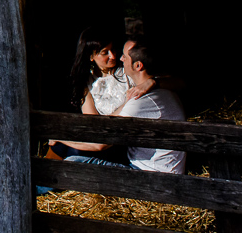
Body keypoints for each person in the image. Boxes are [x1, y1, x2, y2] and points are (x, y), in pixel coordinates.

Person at [50, 37, 186, 174]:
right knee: (66, 148)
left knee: (74, 156)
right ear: (91, 56)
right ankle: (43, 176)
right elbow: (94, 125)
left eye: (114, 50)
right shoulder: (87, 84)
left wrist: (152, 82)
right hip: (110, 133)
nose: (115, 57)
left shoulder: (131, 76)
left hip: (121, 143)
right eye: (105, 52)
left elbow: (179, 82)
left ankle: (43, 182)